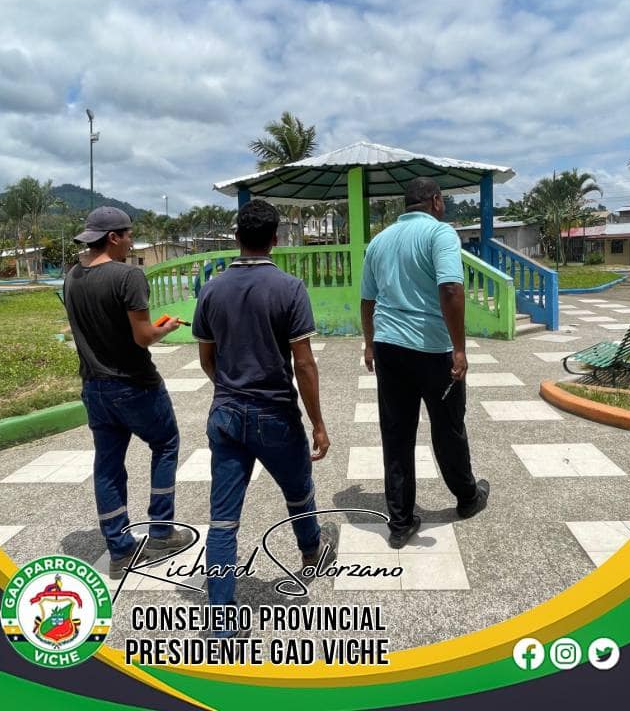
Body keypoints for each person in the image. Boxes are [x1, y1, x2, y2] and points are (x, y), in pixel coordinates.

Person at [192, 199, 337, 629]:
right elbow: (304, 364)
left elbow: (207, 359)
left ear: (237, 237)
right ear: (275, 239)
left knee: (223, 519)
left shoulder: (211, 290)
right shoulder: (289, 288)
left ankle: (221, 617)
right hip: (275, 414)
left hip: (225, 415)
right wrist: (318, 423)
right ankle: (310, 552)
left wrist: (230, 388)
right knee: (298, 490)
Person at [360, 178, 489, 549]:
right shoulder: (440, 233)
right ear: (436, 200)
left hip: (388, 347)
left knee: (396, 433)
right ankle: (467, 498)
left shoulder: (379, 241)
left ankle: (400, 523)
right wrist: (459, 349)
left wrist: (369, 344)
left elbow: (368, 300)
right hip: (433, 350)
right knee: (448, 427)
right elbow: (450, 288)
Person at [64, 206, 191, 579]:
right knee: (165, 444)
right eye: (129, 235)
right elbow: (143, 337)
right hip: (135, 385)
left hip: (94, 387)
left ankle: (120, 550)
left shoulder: (72, 277)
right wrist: (167, 327)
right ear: (114, 237)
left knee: (107, 464)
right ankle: (161, 532)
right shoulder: (128, 276)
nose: (132, 242)